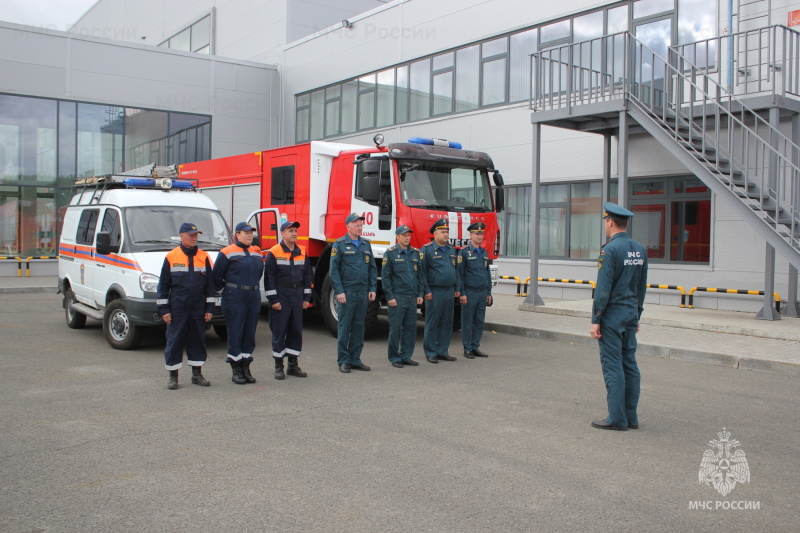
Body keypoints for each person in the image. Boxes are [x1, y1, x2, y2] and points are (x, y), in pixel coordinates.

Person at [589, 202, 648, 431]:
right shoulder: (639, 249)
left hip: (612, 315)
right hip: (630, 313)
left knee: (613, 365)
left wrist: (596, 319)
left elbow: (603, 288)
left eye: (605, 221)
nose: (605, 224)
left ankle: (617, 418)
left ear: (610, 222)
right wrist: (637, 314)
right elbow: (642, 286)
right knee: (629, 364)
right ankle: (631, 417)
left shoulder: (610, 250)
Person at [157, 222, 216, 390]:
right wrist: (164, 310)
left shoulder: (204, 257)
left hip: (198, 306)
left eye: (196, 235)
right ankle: (173, 376)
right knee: (174, 340)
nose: (194, 238)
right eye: (191, 235)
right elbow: (163, 286)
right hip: (178, 306)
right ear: (181, 236)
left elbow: (210, 286)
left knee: (197, 339)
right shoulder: (171, 257)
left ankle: (197, 374)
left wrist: (209, 308)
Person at [213, 221, 263, 385]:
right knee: (236, 332)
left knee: (249, 332)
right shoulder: (227, 252)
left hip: (253, 295)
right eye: (246, 232)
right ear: (237, 234)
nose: (250, 235)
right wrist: (229, 290)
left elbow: (259, 272)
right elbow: (216, 277)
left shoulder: (256, 252)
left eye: (251, 232)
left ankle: (246, 366)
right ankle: (236, 368)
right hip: (235, 296)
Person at [264, 221, 313, 380]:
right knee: (279, 330)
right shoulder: (274, 252)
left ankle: (293, 365)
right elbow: (269, 278)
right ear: (282, 234)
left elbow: (307, 276)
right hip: (281, 295)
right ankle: (279, 365)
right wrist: (274, 300)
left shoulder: (302, 251)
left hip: (297, 295)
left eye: (295, 230)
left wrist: (306, 297)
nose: (294, 233)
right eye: (290, 230)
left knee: (295, 331)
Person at [330, 213, 377, 373]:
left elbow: (372, 267)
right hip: (347, 292)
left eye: (361, 225)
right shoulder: (340, 244)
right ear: (348, 226)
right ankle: (343, 360)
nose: (360, 227)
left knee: (359, 326)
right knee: (345, 326)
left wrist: (372, 288)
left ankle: (355, 359)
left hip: (362, 291)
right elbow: (334, 270)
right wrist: (339, 291)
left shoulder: (365, 244)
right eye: (356, 224)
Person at [382, 225, 424, 368]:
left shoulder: (415, 253)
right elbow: (386, 278)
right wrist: (390, 297)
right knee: (395, 328)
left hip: (411, 297)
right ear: (397, 237)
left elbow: (420, 275)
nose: (407, 238)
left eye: (408, 235)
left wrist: (420, 293)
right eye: (404, 235)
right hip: (397, 297)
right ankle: (394, 357)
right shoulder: (390, 253)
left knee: (410, 328)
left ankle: (406, 356)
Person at [420, 218, 459, 363]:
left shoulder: (451, 249)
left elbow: (455, 270)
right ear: (435, 234)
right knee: (432, 322)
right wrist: (426, 291)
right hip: (434, 292)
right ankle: (430, 352)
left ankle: (442, 351)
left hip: (449, 291)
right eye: (443, 232)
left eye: (447, 231)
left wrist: (457, 288)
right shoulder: (427, 250)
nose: (446, 234)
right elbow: (422, 273)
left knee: (447, 322)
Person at [457, 222, 493, 359]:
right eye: (477, 234)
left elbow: (487, 274)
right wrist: (462, 293)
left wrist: (489, 293)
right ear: (471, 235)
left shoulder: (484, 252)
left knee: (479, 321)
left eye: (481, 234)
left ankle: (475, 347)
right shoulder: (464, 252)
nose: (479, 236)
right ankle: (467, 348)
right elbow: (459, 274)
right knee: (467, 322)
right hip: (470, 292)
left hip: (482, 292)